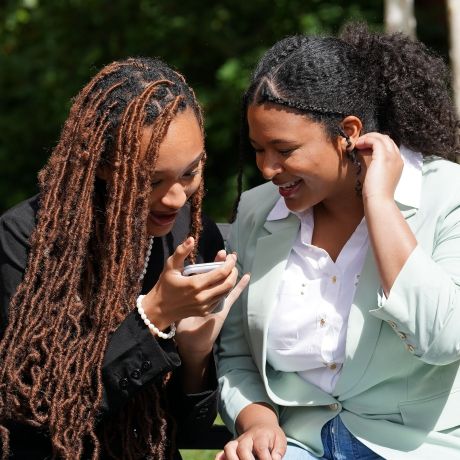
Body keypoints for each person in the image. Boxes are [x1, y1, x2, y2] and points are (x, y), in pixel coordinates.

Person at [216, 22, 460, 460]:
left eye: (284, 150)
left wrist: (380, 203)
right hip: (300, 443)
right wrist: (257, 420)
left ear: (348, 132)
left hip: (416, 448)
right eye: (258, 149)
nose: (268, 169)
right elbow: (235, 353)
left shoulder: (447, 196)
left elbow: (444, 338)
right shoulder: (258, 210)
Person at [0, 57, 249, 460]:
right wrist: (151, 316)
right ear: (100, 166)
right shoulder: (26, 238)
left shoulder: (191, 231)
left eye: (190, 172)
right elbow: (37, 418)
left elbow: (188, 429)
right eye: (150, 181)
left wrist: (195, 352)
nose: (176, 198)